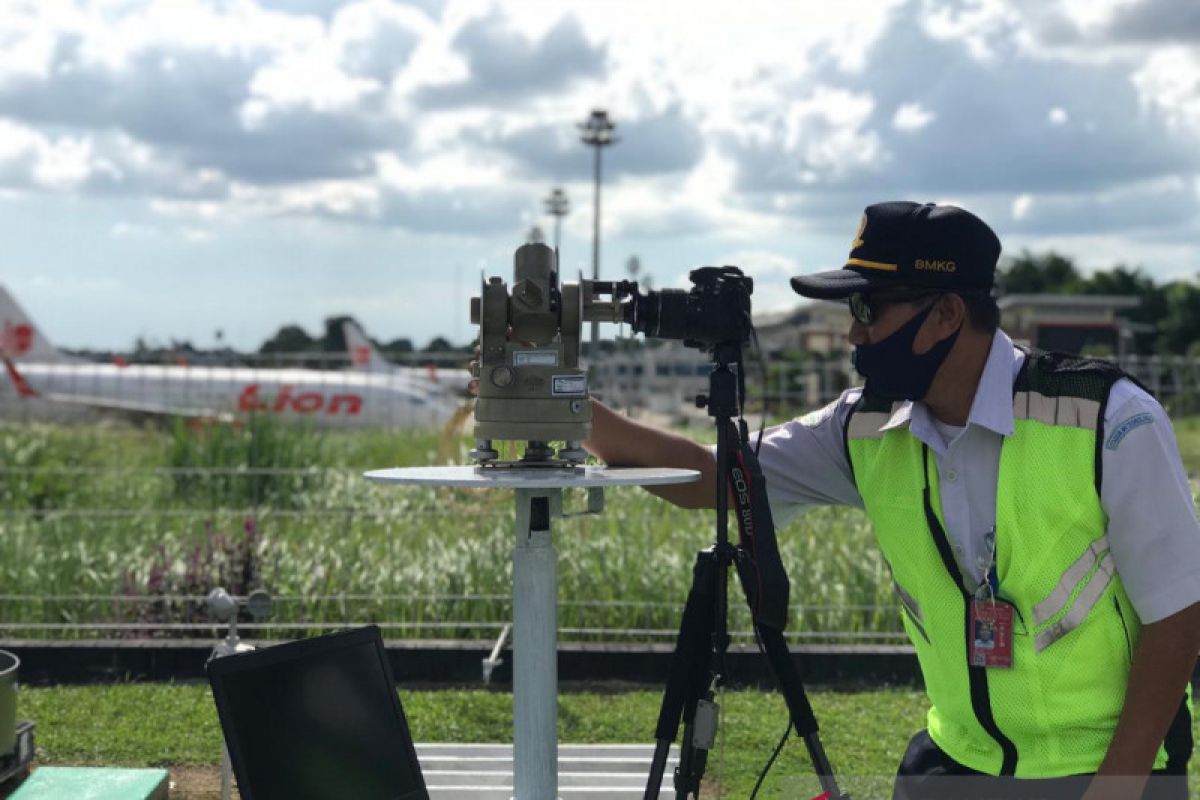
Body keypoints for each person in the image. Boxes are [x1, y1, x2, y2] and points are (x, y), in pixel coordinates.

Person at [583, 201, 1200, 800]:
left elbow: (1177, 615)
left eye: (868, 307)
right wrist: (565, 409)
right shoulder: (862, 425)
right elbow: (713, 479)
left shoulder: (1109, 418)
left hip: (1108, 769)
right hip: (956, 760)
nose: (854, 331)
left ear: (947, 313)